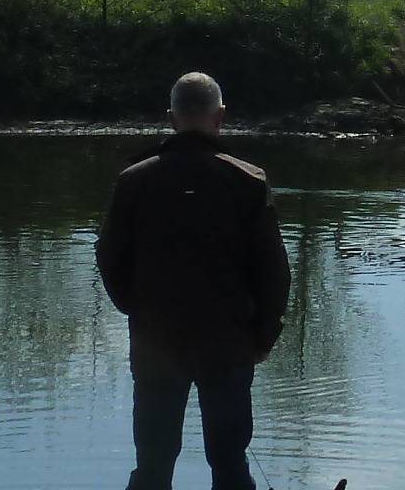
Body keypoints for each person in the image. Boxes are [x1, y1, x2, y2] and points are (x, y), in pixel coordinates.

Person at [97, 73, 292, 490]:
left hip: (155, 343)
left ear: (171, 119)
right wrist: (263, 338)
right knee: (229, 462)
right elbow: (274, 272)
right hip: (229, 345)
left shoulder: (133, 181)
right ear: (220, 117)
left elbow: (109, 259)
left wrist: (138, 309)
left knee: (152, 463)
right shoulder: (248, 181)